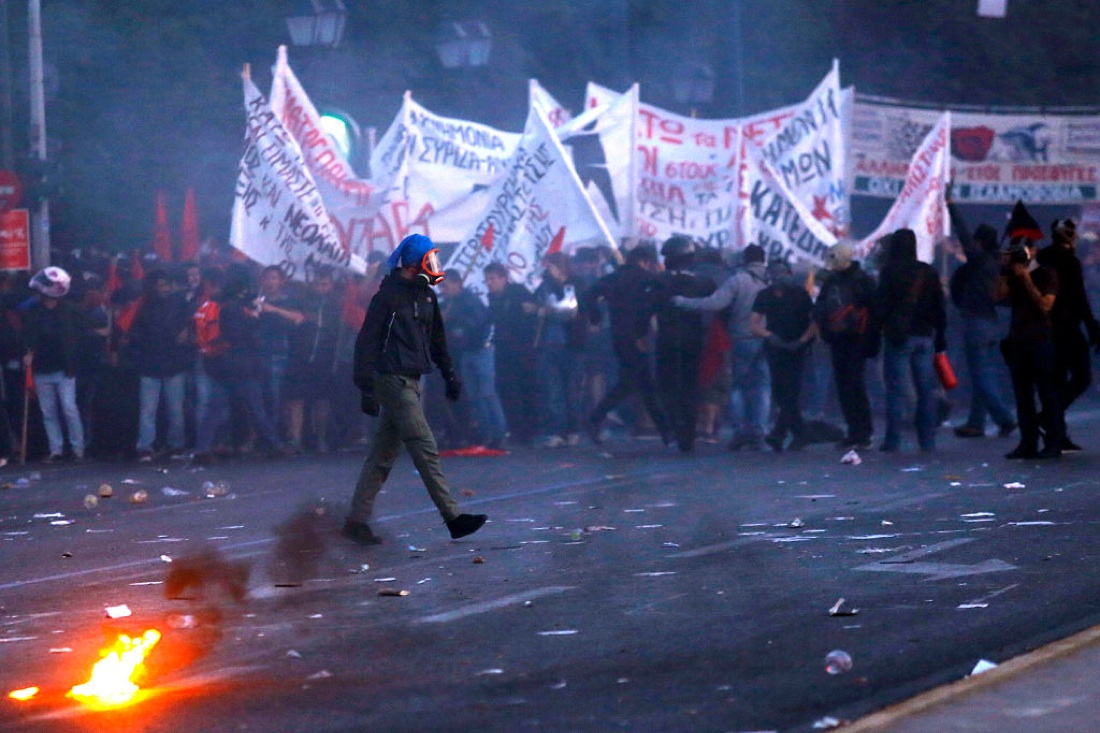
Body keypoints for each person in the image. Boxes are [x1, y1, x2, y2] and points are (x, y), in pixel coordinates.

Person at [345, 233, 486, 545]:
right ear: (412, 265)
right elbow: (367, 341)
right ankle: (453, 518)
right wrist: (366, 386)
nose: (434, 266)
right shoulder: (388, 298)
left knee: (383, 453)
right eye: (429, 260)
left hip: (413, 379)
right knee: (424, 445)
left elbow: (437, 340)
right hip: (392, 378)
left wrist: (450, 374)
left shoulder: (427, 297)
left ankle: (356, 520)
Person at [674, 243, 771, 451]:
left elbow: (714, 303)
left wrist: (683, 302)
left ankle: (740, 432)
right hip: (766, 339)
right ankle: (759, 432)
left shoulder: (738, 280)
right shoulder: (772, 280)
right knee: (762, 387)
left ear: (745, 259)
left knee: (738, 387)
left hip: (741, 338)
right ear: (763, 259)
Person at [192, 264, 291, 463]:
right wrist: (253, 320)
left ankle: (202, 448)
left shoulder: (219, 303)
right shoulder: (236, 308)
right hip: (242, 367)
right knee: (256, 409)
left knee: (214, 411)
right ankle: (274, 445)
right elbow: (239, 336)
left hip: (221, 366)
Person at [582, 243, 670, 445]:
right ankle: (666, 431)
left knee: (631, 383)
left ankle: (595, 419)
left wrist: (595, 318)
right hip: (640, 336)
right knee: (643, 383)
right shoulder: (648, 279)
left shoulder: (614, 278)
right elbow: (653, 306)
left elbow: (589, 295)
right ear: (645, 262)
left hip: (618, 335)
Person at [873, 229, 948, 453]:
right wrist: (940, 335)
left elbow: (880, 306)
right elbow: (939, 306)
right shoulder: (928, 272)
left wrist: (878, 330)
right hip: (925, 336)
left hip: (898, 337)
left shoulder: (889, 272)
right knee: (925, 390)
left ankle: (893, 440)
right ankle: (927, 440)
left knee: (895, 390)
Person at [947, 203, 1018, 439]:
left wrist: (951, 206)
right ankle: (976, 423)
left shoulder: (980, 261)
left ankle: (1004, 418)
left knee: (981, 377)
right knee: (984, 375)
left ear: (980, 243)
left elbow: (963, 234)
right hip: (992, 324)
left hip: (977, 323)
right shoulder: (997, 264)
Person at [997, 232, 1063, 459]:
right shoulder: (1011, 273)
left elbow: (1045, 305)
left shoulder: (1046, 273)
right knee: (1022, 396)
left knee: (1047, 393)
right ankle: (1028, 442)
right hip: (1018, 340)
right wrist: (1004, 270)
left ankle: (1053, 442)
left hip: (1041, 340)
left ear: (1033, 252)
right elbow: (997, 296)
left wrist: (1026, 278)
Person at [1036, 217, 1100, 452]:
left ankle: (1057, 432)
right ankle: (1049, 418)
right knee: (1081, 376)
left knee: (1057, 379)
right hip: (1067, 326)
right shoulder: (1070, 262)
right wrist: (1091, 325)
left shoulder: (1041, 259)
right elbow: (1079, 296)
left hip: (1046, 326)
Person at [653, 236, 715, 453]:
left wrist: (641, 332)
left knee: (668, 386)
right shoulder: (703, 282)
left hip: (667, 339)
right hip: (693, 339)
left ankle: (677, 427)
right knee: (690, 386)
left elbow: (647, 309)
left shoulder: (659, 281)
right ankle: (688, 430)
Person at [813, 242, 878, 449]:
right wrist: (825, 328)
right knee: (843, 386)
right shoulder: (832, 280)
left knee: (855, 385)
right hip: (838, 339)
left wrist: (870, 338)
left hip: (857, 339)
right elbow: (821, 306)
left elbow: (874, 310)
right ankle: (854, 431)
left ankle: (864, 432)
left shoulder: (863, 280)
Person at [22, 267, 90, 462]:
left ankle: (78, 448)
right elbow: (28, 335)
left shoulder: (70, 310)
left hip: (64, 368)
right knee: (48, 412)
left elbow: (84, 330)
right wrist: (28, 353)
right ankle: (56, 449)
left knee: (69, 408)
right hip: (42, 367)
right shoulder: (34, 311)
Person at [127, 268, 194, 461]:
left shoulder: (177, 304)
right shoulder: (146, 307)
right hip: (156, 363)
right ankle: (149, 446)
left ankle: (172, 445)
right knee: (153, 410)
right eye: (162, 285)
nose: (166, 288)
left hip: (168, 363)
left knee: (172, 410)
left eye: (167, 284)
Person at [749, 260, 817, 451]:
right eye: (774, 273)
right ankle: (801, 432)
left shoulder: (800, 294)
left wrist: (802, 341)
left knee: (790, 391)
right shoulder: (764, 295)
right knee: (780, 392)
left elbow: (814, 321)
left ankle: (779, 433)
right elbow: (753, 324)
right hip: (776, 348)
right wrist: (769, 336)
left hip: (797, 348)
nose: (778, 277)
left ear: (789, 274)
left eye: (781, 273)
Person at [439, 268, 508, 449]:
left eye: (445, 286)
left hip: (481, 350)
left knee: (487, 393)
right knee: (474, 395)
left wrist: (457, 327)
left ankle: (499, 433)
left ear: (457, 283)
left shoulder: (470, 300)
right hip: (466, 352)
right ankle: (484, 432)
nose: (443, 290)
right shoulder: (449, 302)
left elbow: (479, 322)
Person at [532, 252, 586, 448]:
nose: (550, 270)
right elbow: (535, 306)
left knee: (572, 391)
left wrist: (549, 310)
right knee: (554, 392)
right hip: (550, 343)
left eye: (553, 266)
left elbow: (576, 311)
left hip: (573, 343)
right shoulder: (544, 287)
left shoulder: (578, 284)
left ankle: (574, 430)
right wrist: (538, 310)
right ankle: (558, 431)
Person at [484, 261, 538, 445]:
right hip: (503, 349)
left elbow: (531, 313)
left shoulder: (518, 292)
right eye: (487, 279)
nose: (489, 283)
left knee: (525, 388)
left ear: (503, 278)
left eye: (492, 278)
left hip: (522, 348)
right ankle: (515, 429)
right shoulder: (493, 298)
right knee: (507, 390)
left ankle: (529, 431)